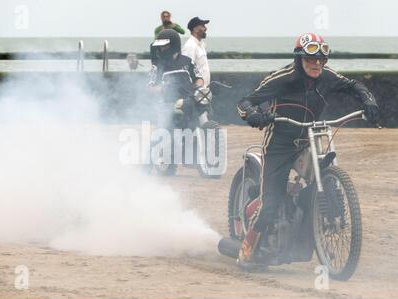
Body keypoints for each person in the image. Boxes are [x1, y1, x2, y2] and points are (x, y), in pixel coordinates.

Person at [236, 33, 380, 262]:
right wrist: (254, 115)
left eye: (321, 60)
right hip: (279, 144)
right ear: (299, 59)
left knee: (325, 176)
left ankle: (314, 236)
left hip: (309, 138)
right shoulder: (282, 78)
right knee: (270, 203)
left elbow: (354, 86)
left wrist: (368, 101)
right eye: (311, 59)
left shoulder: (327, 77)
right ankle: (247, 247)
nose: (316, 64)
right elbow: (244, 102)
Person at [148, 29, 207, 128]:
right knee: (163, 126)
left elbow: (199, 79)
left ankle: (210, 134)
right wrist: (164, 88)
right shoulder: (157, 66)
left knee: (203, 111)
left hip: (189, 99)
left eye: (164, 46)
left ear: (173, 45)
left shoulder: (188, 61)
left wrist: (196, 87)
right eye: (160, 46)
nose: (161, 49)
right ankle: (162, 139)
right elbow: (150, 87)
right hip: (167, 103)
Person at [182, 17, 211, 87]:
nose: (205, 28)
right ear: (195, 29)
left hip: (204, 89)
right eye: (203, 26)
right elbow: (186, 69)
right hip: (196, 90)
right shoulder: (190, 46)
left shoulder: (200, 45)